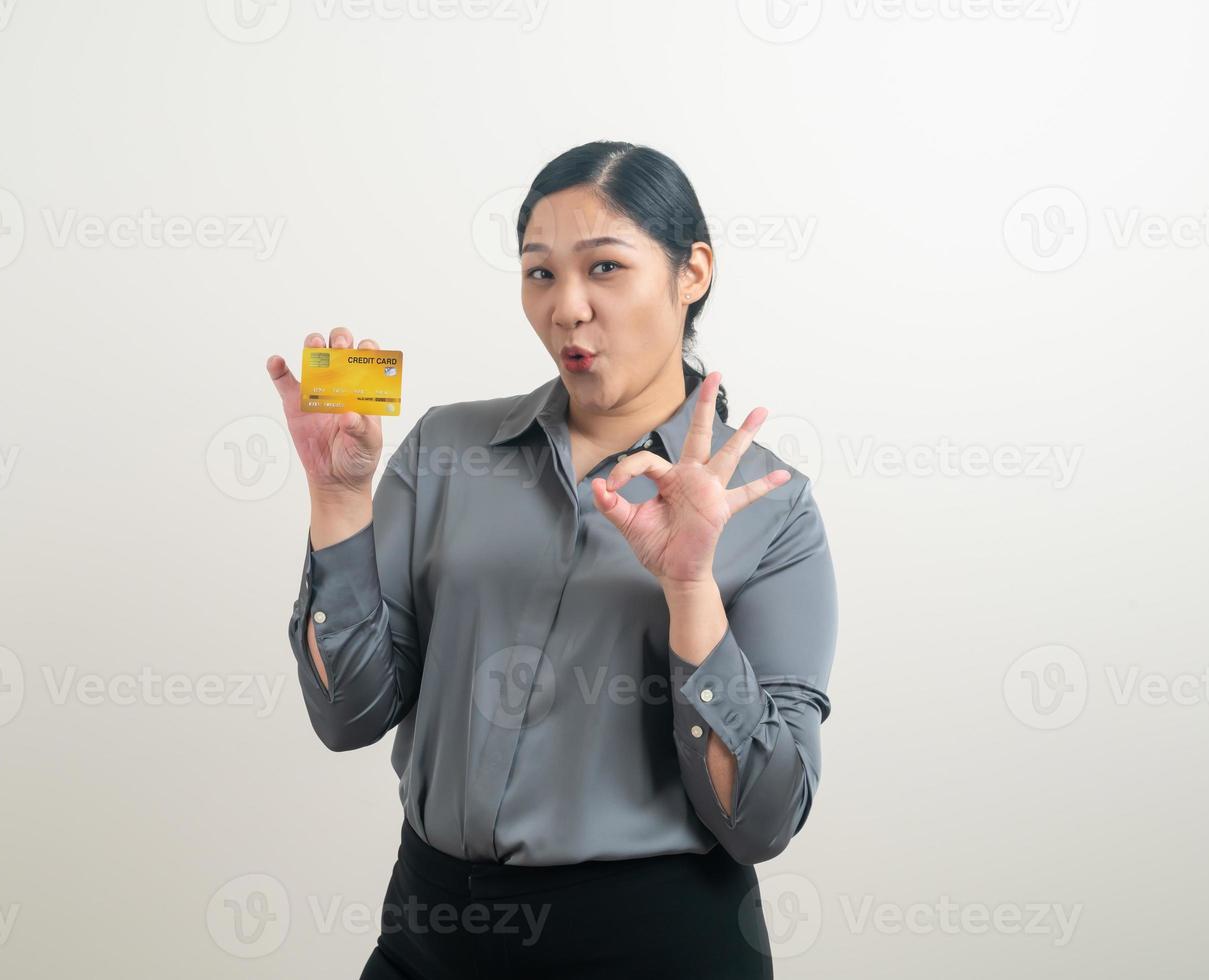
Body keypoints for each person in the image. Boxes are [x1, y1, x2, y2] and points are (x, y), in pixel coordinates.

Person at [265, 141, 838, 979]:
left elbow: (763, 820)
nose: (567, 307)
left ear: (692, 272)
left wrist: (688, 588)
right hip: (429, 931)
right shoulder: (444, 449)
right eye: (539, 273)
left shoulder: (771, 505)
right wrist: (339, 499)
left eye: (604, 267)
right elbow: (346, 716)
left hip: (651, 945)